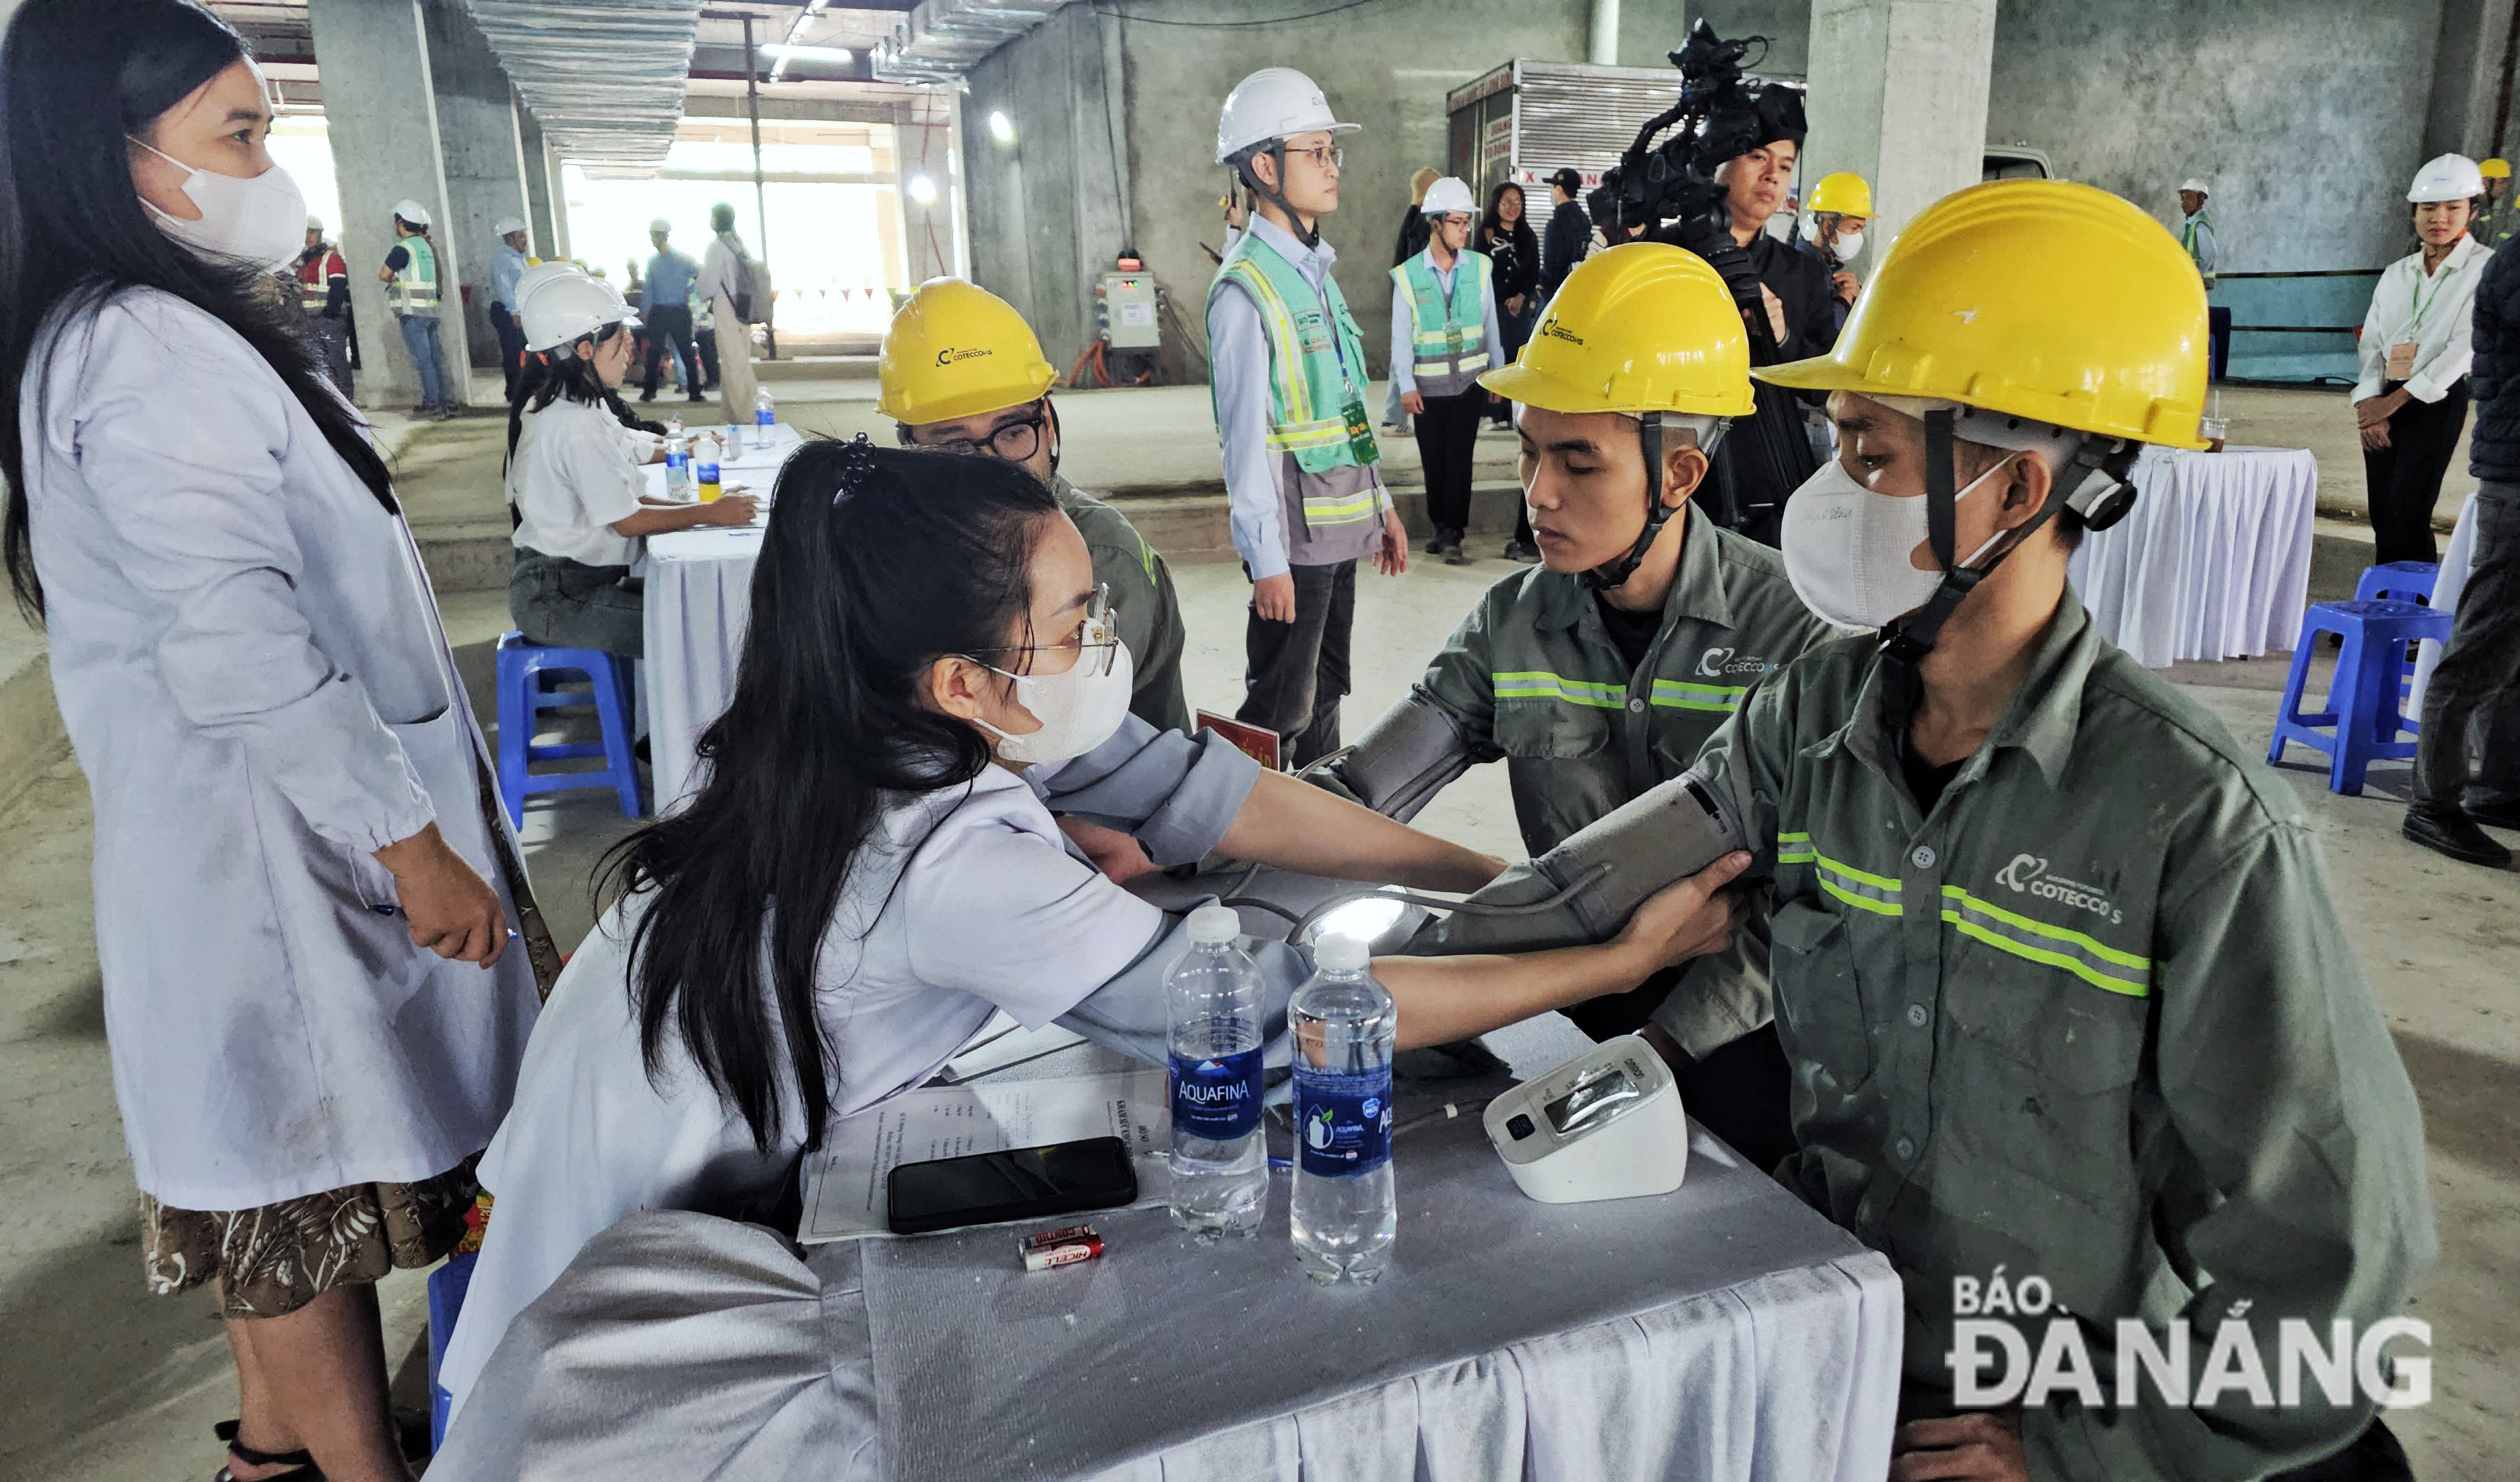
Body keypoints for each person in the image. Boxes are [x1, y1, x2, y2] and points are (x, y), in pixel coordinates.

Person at [434, 441, 1750, 1430]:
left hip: (644, 1057)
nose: (1101, 645)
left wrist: (1494, 882)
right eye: (1074, 625)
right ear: (966, 680)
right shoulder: (945, 852)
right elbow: (1264, 1008)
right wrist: (1608, 961)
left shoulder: (876, 707)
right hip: (640, 1185)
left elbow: (1206, 791)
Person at [1606, 177, 2427, 1480]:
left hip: (2030, 1397)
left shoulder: (2193, 824)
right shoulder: (1817, 711)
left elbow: (2336, 1280)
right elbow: (1597, 883)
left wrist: (2084, 1448)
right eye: (1836, 446)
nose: (1830, 492)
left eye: (1870, 453)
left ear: (2010, 490)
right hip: (1832, 1344)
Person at [0, 7, 557, 1480]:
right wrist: (413, 845)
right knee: (303, 1238)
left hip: (268, 858)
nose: (269, 163)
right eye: (235, 136)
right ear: (115, 162)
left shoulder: (161, 325)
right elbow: (239, 645)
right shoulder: (137, 353)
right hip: (276, 873)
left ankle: (279, 1462)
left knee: (285, 1254)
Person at [1325, 242, 1836, 1171]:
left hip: (1740, 1025)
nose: (1538, 494)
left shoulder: (1796, 637)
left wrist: (1656, 1055)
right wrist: (1224, 827)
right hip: (1568, 988)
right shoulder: (1511, 622)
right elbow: (1364, 787)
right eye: (1527, 451)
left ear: (1679, 475)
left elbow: (1808, 909)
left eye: (1578, 462)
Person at [1207, 67, 1412, 768]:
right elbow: (1245, 441)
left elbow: (1344, 406)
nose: (1331, 169)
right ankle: (1240, 841)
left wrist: (1378, 503)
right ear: (1264, 166)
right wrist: (1265, 560)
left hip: (1336, 534)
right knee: (1276, 710)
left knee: (1323, 693)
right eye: (1314, 152)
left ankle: (1319, 820)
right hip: (1292, 547)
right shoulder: (1247, 292)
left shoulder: (1312, 275)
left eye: (1332, 152)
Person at [881, 276, 1192, 735]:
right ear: (908, 451)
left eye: (1011, 433)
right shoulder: (881, 558)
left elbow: (1149, 763)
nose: (993, 472)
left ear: (1046, 424)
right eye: (955, 449)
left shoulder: (1106, 563)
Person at [507, 264, 757, 661]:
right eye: (620, 342)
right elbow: (627, 520)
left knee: (707, 609)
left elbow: (631, 501)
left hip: (576, 581)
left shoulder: (579, 406)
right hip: (558, 594)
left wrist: (711, 511)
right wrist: (710, 513)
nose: (630, 353)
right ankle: (667, 726)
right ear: (585, 350)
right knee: (702, 631)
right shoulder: (572, 423)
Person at [2404, 206, 2520, 867]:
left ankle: (2501, 786)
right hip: (2515, 479)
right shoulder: (2514, 266)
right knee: (2480, 647)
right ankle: (2432, 805)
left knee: (2511, 649)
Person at [1684, 123, 1830, 548]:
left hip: (1770, 482)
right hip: (1678, 471)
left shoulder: (1801, 273)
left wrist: (1783, 341)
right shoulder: (1669, 257)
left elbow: (1826, 386)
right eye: (1757, 158)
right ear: (1719, 166)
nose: (1773, 176)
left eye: (1785, 166)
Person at [2356, 154, 2491, 566]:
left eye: (2453, 207)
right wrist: (2368, 406)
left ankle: (2415, 618)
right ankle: (2380, 612)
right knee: (2382, 515)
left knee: (2409, 512)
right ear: (2415, 213)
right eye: (2429, 207)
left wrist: (2390, 405)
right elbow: (2372, 344)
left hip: (2435, 402)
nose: (2440, 217)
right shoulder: (2398, 273)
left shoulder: (2484, 268)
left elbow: (2461, 350)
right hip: (2382, 401)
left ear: (2471, 211)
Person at [1389, 175, 1502, 566]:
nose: (1464, 230)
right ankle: (1441, 526)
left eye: (1466, 223)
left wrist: (1497, 374)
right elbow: (1401, 338)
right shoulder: (1408, 275)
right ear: (1435, 223)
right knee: (1433, 461)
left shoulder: (1481, 268)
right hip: (1428, 386)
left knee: (1460, 460)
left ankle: (1454, 531)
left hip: (1469, 382)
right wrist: (1406, 386)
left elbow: (1491, 326)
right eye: (1456, 223)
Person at [1379, 166, 1441, 435]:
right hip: (1416, 300)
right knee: (1405, 357)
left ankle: (1396, 417)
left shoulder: (1413, 218)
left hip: (1407, 297)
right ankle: (1393, 417)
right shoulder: (1422, 224)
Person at [378, 195, 452, 418]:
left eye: (396, 222)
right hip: (430, 311)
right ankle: (442, 400)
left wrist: (394, 280)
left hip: (413, 313)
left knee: (423, 361)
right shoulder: (425, 247)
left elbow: (383, 274)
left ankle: (432, 404)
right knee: (433, 360)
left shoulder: (403, 248)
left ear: (402, 223)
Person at [1482, 181, 1540, 437]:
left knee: (1511, 360)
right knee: (1493, 356)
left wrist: (1520, 297)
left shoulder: (1528, 237)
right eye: (1507, 201)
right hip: (1493, 305)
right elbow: (1481, 268)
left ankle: (1510, 413)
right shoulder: (1486, 232)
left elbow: (1533, 271)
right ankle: (1495, 413)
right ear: (1497, 204)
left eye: (1518, 202)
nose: (1513, 207)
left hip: (1519, 308)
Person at [698, 202, 761, 425]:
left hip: (726, 309)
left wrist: (698, 290)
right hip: (743, 311)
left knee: (733, 364)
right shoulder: (738, 244)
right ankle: (735, 412)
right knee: (738, 360)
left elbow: (707, 285)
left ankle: (746, 415)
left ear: (716, 220)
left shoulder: (717, 247)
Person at [1794, 170, 1869, 339]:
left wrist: (1857, 295)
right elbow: (1822, 338)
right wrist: (1843, 300)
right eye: (1854, 228)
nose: (1858, 236)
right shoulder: (1803, 270)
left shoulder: (1825, 266)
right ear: (1828, 227)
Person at [638, 216, 704, 406]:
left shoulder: (682, 260)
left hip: (675, 310)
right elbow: (648, 288)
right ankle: (650, 391)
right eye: (652, 235)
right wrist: (645, 311)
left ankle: (694, 391)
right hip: (663, 311)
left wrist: (690, 293)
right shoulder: (656, 262)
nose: (653, 238)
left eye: (655, 235)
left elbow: (700, 275)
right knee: (655, 352)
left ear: (664, 236)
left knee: (685, 352)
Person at [2178, 176, 2231, 379]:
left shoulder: (2200, 224)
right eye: (2182, 197)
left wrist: (2196, 276)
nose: (2184, 202)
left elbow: (2210, 254)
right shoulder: (2192, 225)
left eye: (2188, 197)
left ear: (2201, 200)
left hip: (2198, 283)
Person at [293, 212, 352, 392]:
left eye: (311, 232)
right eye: (304, 233)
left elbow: (338, 286)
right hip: (311, 320)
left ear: (319, 234)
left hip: (329, 320)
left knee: (337, 360)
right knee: (319, 363)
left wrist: (330, 313)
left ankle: (347, 398)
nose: (307, 237)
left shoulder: (331, 259)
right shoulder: (304, 261)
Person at [486, 214, 529, 400]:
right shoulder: (502, 259)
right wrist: (515, 311)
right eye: (520, 236)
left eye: (524, 235)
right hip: (506, 311)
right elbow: (504, 288)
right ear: (509, 237)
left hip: (518, 310)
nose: (524, 240)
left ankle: (523, 389)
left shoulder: (519, 258)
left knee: (522, 349)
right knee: (513, 351)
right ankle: (514, 391)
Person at [1537, 165, 1592, 305]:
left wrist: (1542, 285)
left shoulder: (1557, 223)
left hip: (1556, 293)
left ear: (1560, 190)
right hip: (1577, 288)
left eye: (1553, 188)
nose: (1552, 193)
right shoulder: (1583, 219)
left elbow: (1553, 263)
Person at [2476, 156, 2515, 249]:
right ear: (2485, 182)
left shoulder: (2485, 208)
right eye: (2501, 183)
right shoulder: (2472, 209)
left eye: (2506, 183)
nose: (2505, 187)